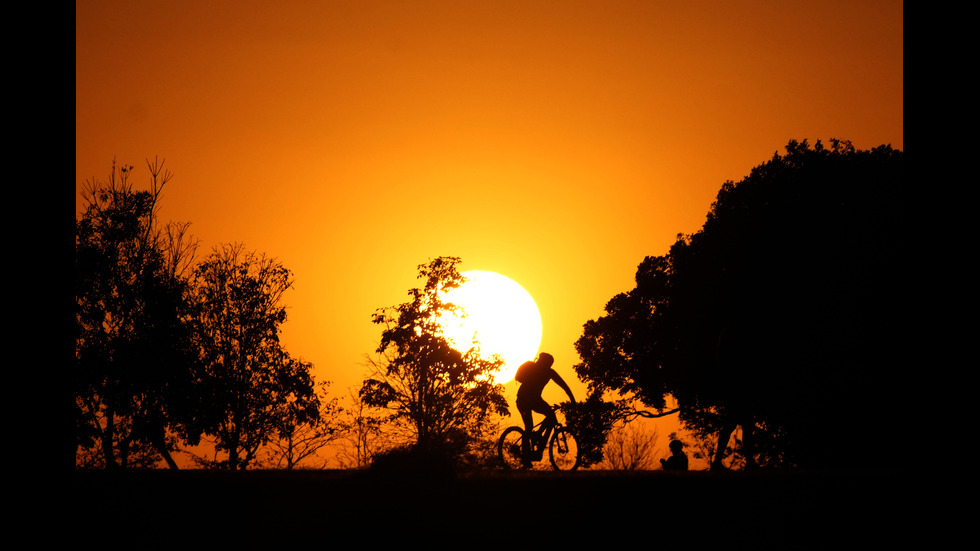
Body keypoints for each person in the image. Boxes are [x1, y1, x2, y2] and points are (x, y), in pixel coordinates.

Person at [515, 352, 575, 466]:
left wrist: (572, 400)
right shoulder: (533, 368)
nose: (548, 366)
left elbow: (564, 385)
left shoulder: (549, 372)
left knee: (551, 416)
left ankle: (538, 438)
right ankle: (526, 458)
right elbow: (564, 386)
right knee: (528, 427)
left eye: (549, 364)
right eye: (547, 364)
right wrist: (572, 401)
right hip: (523, 400)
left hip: (535, 400)